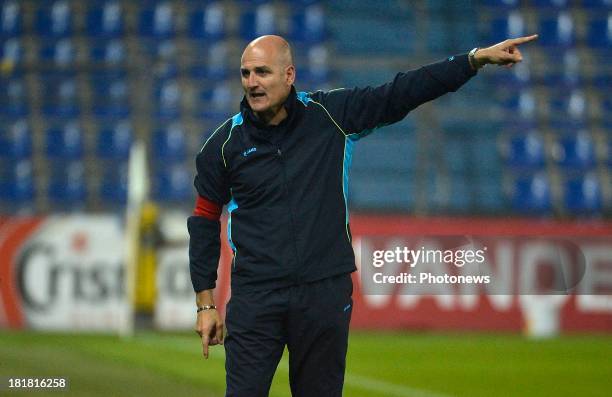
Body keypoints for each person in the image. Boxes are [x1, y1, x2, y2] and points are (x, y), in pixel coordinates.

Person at [188, 33, 538, 397]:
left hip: (323, 293)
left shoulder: (332, 116)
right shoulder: (223, 146)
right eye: (245, 73)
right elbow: (203, 220)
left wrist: (473, 60)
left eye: (262, 72)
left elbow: (401, 92)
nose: (252, 83)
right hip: (256, 296)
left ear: (289, 75)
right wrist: (205, 303)